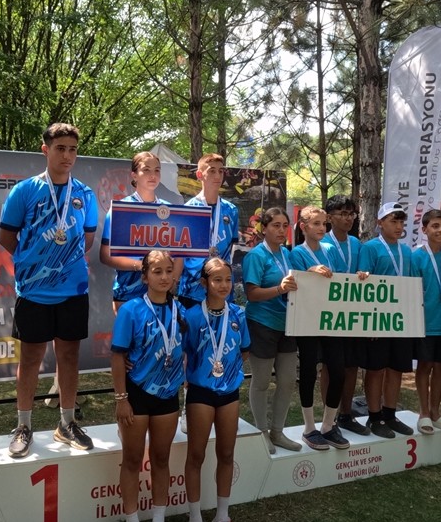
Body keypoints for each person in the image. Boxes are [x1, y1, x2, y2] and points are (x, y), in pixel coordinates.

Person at [0, 123, 99, 458]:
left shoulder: (84, 194)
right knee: (30, 360)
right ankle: (23, 426)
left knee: (69, 356)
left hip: (73, 290)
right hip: (34, 293)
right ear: (45, 150)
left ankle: (66, 422)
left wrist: (61, 263)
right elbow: (7, 238)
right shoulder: (24, 191)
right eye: (60, 149)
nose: (67, 155)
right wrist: (35, 264)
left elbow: (87, 239)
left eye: (72, 149)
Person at [110, 250, 185, 522]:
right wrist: (121, 399)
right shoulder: (130, 310)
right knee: (131, 459)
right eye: (157, 271)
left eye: (169, 271)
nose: (164, 277)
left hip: (168, 396)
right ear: (144, 277)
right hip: (136, 395)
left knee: (162, 458)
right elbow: (117, 356)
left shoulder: (182, 309)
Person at [182, 257, 250, 522]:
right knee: (196, 455)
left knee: (226, 452)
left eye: (228, 279)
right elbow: (182, 352)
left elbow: (243, 350)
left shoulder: (238, 314)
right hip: (200, 392)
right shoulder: (192, 316)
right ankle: (195, 519)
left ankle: (222, 516)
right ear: (204, 283)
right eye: (217, 280)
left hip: (229, 393)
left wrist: (228, 372)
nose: (224, 285)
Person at [289, 206, 348, 450]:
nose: (322, 228)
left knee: (338, 371)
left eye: (324, 223)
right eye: (316, 224)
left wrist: (361, 277)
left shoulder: (331, 250)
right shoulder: (296, 253)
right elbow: (296, 280)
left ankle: (328, 425)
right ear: (303, 227)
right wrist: (310, 272)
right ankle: (309, 427)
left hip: (330, 319)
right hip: (307, 319)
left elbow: (342, 279)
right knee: (310, 373)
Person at [242, 208, 301, 454]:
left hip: (288, 324)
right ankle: (261, 432)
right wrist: (279, 289)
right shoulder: (256, 256)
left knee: (287, 381)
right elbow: (251, 294)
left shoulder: (287, 254)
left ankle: (278, 432)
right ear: (263, 228)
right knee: (262, 381)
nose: (280, 230)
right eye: (275, 225)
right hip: (262, 324)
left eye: (284, 225)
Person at [356, 202, 416, 437]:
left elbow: (410, 284)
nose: (398, 226)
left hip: (399, 319)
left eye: (401, 222)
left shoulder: (407, 251)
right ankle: (374, 417)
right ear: (379, 223)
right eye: (393, 221)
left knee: (395, 368)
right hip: (377, 319)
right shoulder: (370, 248)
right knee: (376, 368)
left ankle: (390, 414)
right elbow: (363, 282)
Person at [100, 151, 180, 311]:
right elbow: (105, 255)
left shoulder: (170, 210)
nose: (153, 175)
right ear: (134, 175)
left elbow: (179, 253)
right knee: (129, 336)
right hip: (127, 290)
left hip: (162, 291)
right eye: (146, 170)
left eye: (157, 170)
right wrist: (141, 266)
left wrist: (173, 280)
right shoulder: (120, 210)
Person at [411, 209, 441, 434]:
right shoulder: (416, 255)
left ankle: (435, 410)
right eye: (435, 226)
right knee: (425, 366)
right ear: (425, 230)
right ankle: (423, 412)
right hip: (425, 321)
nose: (440, 230)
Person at [322, 194, 366, 433]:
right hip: (330, 314)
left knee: (351, 366)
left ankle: (346, 414)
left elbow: (363, 272)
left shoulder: (357, 244)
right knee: (330, 366)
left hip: (353, 315)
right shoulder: (324, 244)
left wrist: (364, 275)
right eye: (343, 214)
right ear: (329, 217)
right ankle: (328, 416)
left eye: (351, 214)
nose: (348, 218)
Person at [177, 153, 238, 306]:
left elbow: (233, 249)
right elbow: (181, 254)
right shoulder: (187, 210)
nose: (217, 175)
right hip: (193, 291)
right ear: (200, 174)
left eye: (221, 171)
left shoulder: (231, 210)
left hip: (222, 291)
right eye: (211, 170)